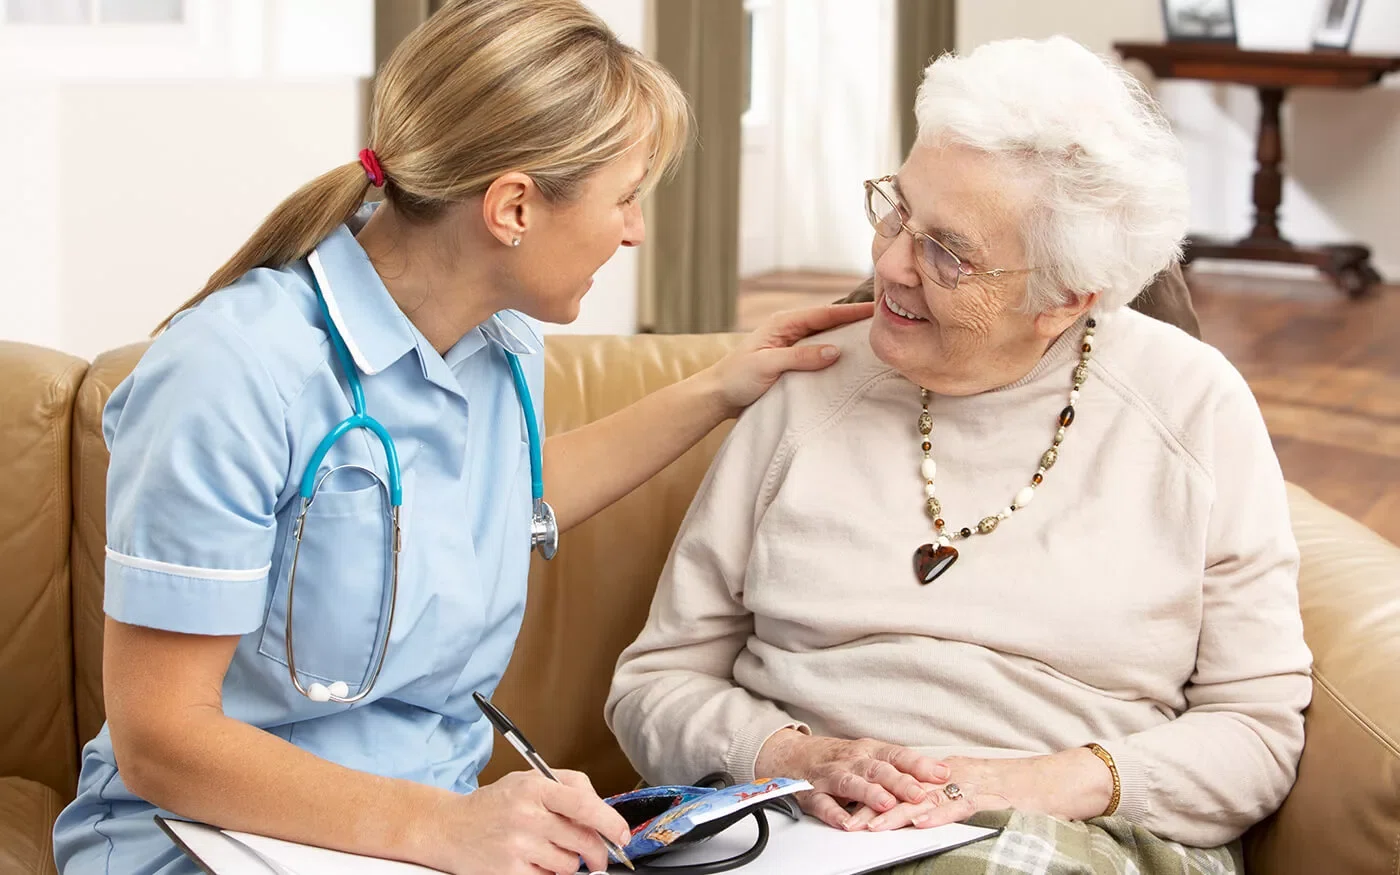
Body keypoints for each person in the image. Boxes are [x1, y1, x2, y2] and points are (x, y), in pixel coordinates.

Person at [49, 3, 873, 874]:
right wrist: (442, 828)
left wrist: (718, 387)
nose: (635, 229)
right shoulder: (233, 369)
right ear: (513, 206)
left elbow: (505, 495)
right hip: (206, 843)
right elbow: (163, 741)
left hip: (425, 838)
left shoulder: (498, 341)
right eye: (625, 197)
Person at [606, 35, 1312, 875]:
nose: (891, 264)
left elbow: (1257, 733)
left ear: (1065, 298)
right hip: (785, 824)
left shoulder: (1191, 407)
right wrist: (796, 758)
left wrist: (1009, 782)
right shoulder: (810, 385)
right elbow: (653, 684)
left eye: (950, 251)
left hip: (1073, 836)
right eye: (897, 210)